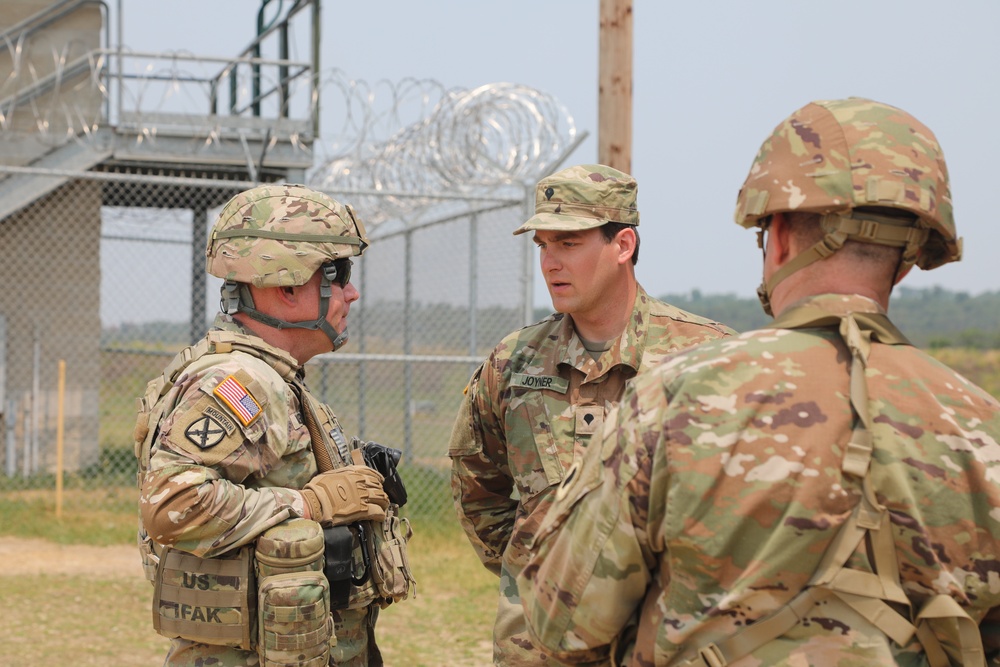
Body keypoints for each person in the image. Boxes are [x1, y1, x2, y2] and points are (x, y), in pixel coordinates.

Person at [518, 98, 1000, 665]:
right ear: (911, 255)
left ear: (781, 238)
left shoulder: (676, 399)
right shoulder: (982, 426)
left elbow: (563, 620)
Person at [448, 164, 734, 666]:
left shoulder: (707, 357)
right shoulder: (515, 361)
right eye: (543, 245)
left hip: (668, 643)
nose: (551, 263)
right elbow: (475, 481)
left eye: (570, 244)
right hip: (539, 645)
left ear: (622, 245)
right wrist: (537, 571)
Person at [133, 183, 413, 667]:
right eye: (337, 273)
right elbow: (172, 502)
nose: (352, 291)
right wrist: (308, 502)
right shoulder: (239, 380)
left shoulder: (273, 377)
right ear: (286, 285)